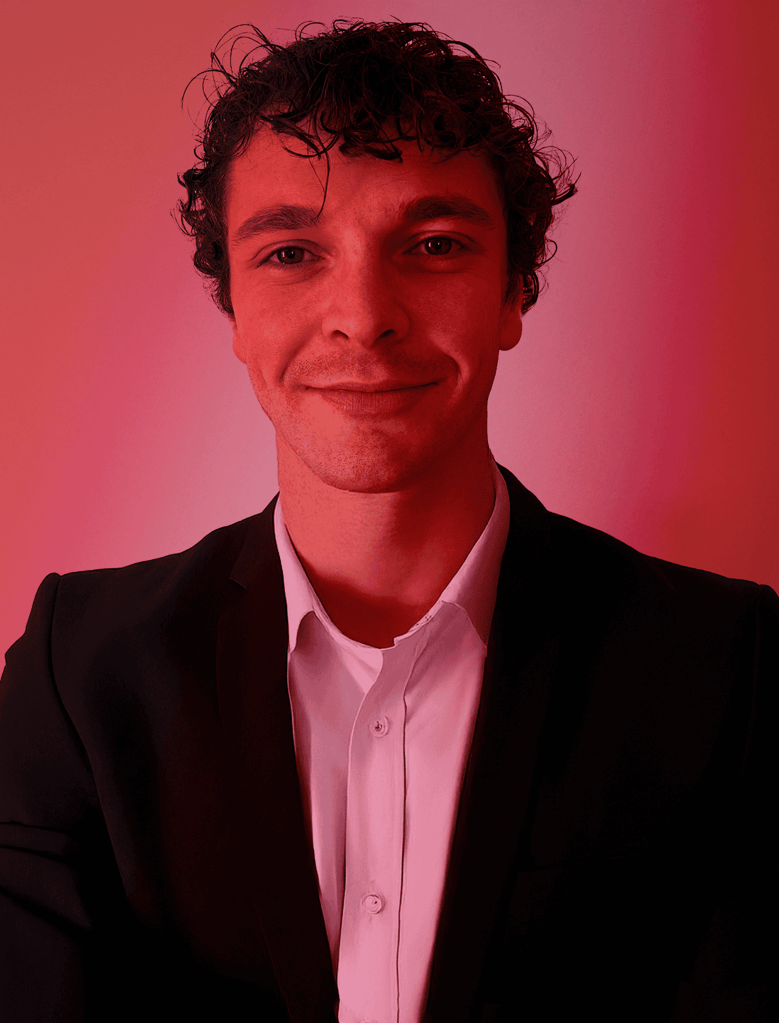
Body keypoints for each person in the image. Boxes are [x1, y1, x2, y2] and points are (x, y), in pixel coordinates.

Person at [0, 19, 775, 1023]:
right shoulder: (76, 672)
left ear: (513, 291)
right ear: (233, 309)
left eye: (434, 245)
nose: (363, 315)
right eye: (291, 252)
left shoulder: (726, 665)